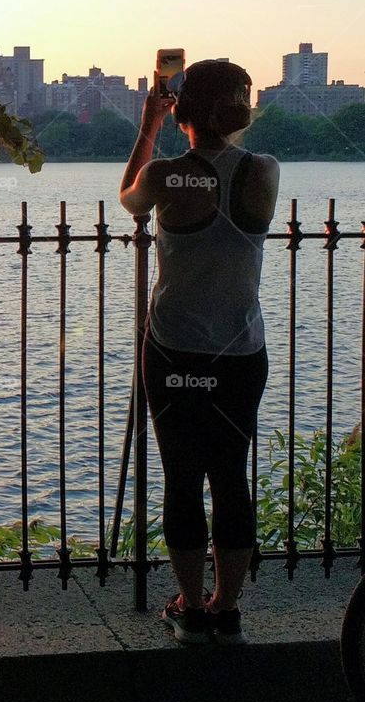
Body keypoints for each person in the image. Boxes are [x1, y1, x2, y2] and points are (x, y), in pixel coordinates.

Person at [118, 59, 280, 645]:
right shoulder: (264, 171)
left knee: (182, 478)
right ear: (238, 111)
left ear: (181, 109)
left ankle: (189, 604)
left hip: (176, 351)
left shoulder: (165, 175)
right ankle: (227, 608)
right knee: (231, 475)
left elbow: (129, 202)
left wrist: (147, 126)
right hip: (241, 352)